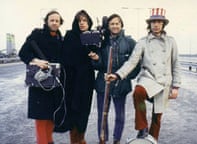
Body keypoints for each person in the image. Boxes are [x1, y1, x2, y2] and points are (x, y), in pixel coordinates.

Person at [105, 8, 181, 144]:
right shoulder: (143, 42)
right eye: (153, 22)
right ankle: (142, 127)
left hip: (164, 82)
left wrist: (176, 87)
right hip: (148, 78)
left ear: (163, 24)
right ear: (149, 24)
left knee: (157, 116)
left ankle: (152, 140)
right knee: (138, 93)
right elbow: (132, 62)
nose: (156, 25)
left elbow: (176, 64)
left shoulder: (171, 42)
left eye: (159, 22)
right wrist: (117, 75)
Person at [90, 14, 139, 144]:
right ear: (108, 26)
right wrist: (96, 59)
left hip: (121, 84)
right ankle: (102, 139)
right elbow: (98, 64)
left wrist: (126, 76)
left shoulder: (130, 42)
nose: (115, 26)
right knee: (102, 114)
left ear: (121, 25)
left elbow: (136, 63)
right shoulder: (102, 41)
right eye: (112, 24)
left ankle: (116, 139)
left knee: (120, 115)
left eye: (117, 23)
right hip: (103, 83)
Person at [18, 10, 64, 144]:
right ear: (46, 21)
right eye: (52, 20)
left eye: (57, 20)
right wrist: (36, 61)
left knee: (51, 115)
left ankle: (49, 141)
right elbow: (23, 53)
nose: (54, 22)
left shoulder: (60, 38)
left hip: (54, 83)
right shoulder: (37, 34)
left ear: (60, 23)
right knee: (41, 117)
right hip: (39, 82)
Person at [62, 10, 96, 144]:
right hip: (71, 81)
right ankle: (74, 140)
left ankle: (81, 139)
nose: (82, 23)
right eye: (79, 21)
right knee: (72, 111)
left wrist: (96, 56)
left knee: (84, 112)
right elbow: (64, 56)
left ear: (89, 22)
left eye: (84, 20)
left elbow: (98, 55)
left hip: (86, 81)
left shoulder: (93, 35)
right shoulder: (70, 35)